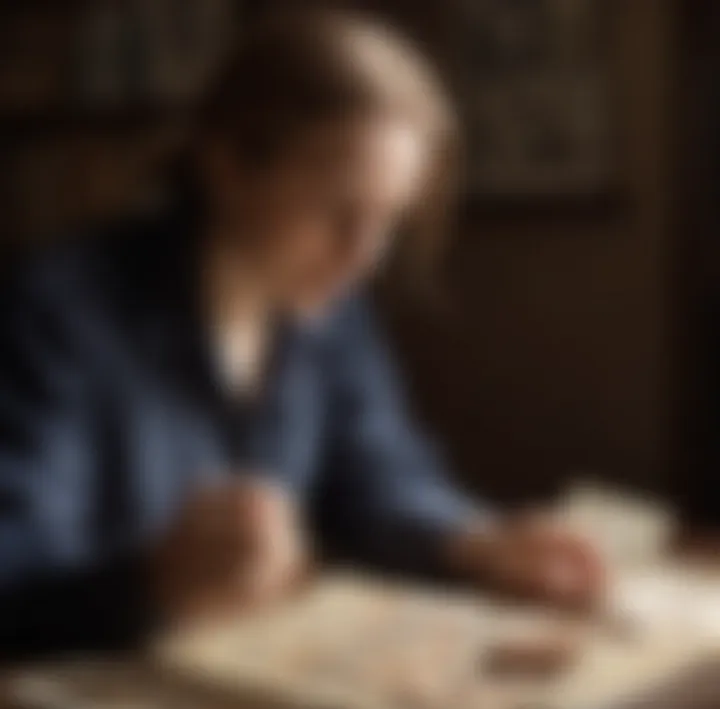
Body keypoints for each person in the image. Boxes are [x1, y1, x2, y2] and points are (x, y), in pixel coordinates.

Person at [0, 10, 604, 659]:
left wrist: (478, 542)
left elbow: (382, 477)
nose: (365, 256)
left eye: (389, 221)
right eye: (340, 211)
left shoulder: (332, 315)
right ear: (228, 164)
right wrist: (149, 581)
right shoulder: (57, 314)